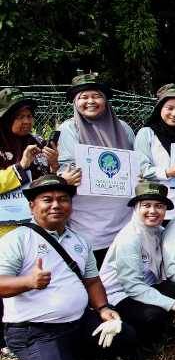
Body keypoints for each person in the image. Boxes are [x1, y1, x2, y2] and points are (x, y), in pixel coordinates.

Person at [0, 174, 137, 360]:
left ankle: (66, 356)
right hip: (35, 330)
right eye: (47, 199)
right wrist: (28, 282)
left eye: (63, 199)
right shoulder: (16, 240)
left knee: (125, 335)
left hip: (78, 321)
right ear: (32, 205)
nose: (56, 205)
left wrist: (103, 308)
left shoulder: (80, 241)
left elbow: (92, 280)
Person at [100, 181, 175, 344]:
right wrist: (173, 304)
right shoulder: (129, 238)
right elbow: (132, 286)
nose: (153, 211)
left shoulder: (160, 231)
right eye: (146, 205)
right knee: (153, 316)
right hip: (120, 295)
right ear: (135, 208)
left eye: (159, 206)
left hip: (149, 286)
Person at [56, 72, 135, 265]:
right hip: (87, 219)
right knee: (92, 271)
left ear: (106, 100)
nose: (90, 101)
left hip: (123, 216)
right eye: (83, 97)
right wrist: (65, 177)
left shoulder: (123, 128)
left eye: (96, 96)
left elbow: (135, 162)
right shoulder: (69, 129)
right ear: (75, 102)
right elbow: (65, 167)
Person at [0, 87, 58, 237]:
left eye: (29, 116)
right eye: (19, 117)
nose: (26, 121)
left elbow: (46, 186)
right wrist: (21, 166)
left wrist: (54, 166)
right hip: (4, 230)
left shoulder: (38, 142)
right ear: (5, 118)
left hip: (36, 226)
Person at [134, 84, 175, 214]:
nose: (174, 113)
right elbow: (141, 169)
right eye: (169, 108)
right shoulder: (147, 133)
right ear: (160, 109)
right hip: (158, 208)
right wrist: (168, 172)